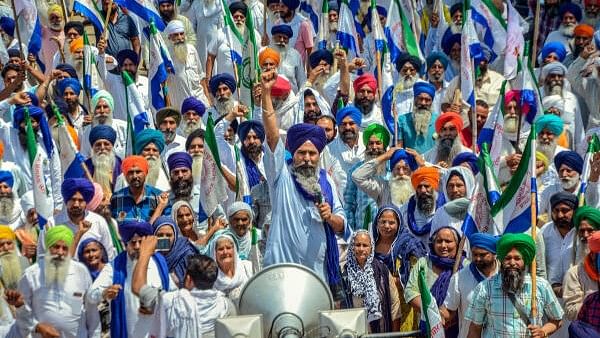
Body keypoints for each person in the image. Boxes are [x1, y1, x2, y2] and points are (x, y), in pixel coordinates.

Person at [260, 69, 349, 288]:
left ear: (319, 156)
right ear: (293, 153)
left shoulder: (325, 183)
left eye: (312, 154)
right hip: (281, 274)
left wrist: (329, 217)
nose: (307, 159)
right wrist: (266, 94)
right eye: (302, 153)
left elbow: (342, 224)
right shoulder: (281, 175)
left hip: (318, 276)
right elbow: (272, 136)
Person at [7, 225, 100, 337]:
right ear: (47, 247)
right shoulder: (31, 274)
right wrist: (37, 327)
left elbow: (92, 313)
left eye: (65, 248)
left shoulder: (81, 272)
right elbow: (22, 313)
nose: (60, 252)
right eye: (56, 247)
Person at [88, 220, 176, 338]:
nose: (137, 247)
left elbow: (173, 294)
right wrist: (104, 293)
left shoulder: (158, 263)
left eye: (140, 242)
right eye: (133, 243)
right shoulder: (115, 267)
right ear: (126, 244)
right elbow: (91, 294)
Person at [131, 238, 236, 338]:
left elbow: (138, 287)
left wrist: (145, 253)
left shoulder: (171, 302)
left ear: (189, 280)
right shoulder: (226, 306)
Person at [466, 233, 564, 337]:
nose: (512, 262)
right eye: (508, 258)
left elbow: (557, 320)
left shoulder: (541, 286)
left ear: (525, 261)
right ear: (501, 260)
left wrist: (543, 331)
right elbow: (475, 328)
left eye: (517, 258)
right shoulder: (485, 288)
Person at [405, 226, 464, 337]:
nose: (443, 245)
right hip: (428, 327)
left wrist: (448, 315)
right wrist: (433, 314)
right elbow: (410, 291)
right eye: (439, 241)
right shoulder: (423, 263)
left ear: (457, 244)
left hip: (458, 328)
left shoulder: (465, 266)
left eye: (448, 241)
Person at [441, 233, 499, 338]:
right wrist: (439, 315)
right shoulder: (460, 278)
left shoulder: (505, 277)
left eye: (482, 255)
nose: (477, 259)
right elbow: (450, 310)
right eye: (475, 254)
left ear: (494, 254)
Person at [342, 230, 401, 333]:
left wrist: (395, 335)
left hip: (380, 331)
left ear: (371, 248)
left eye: (365, 245)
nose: (361, 249)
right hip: (352, 332)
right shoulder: (343, 273)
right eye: (357, 245)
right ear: (352, 247)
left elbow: (395, 305)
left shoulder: (382, 271)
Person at [344, 123, 390, 230]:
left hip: (386, 230)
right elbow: (349, 204)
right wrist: (351, 232)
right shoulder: (355, 170)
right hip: (362, 232)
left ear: (385, 146)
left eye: (378, 143)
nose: (374, 147)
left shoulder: (392, 169)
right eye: (371, 143)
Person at [563, 207, 600, 320]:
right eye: (581, 231)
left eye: (590, 230)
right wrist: (595, 304)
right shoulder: (574, 273)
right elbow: (571, 311)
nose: (585, 235)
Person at [111, 155, 170, 223]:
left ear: (146, 173)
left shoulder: (159, 198)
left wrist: (160, 208)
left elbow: (167, 227)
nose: (135, 176)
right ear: (125, 175)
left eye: (138, 172)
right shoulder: (116, 198)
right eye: (130, 172)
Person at [205, 230, 253, 305]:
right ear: (214, 253)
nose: (225, 252)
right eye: (220, 249)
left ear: (234, 250)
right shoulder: (208, 277)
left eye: (228, 248)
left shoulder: (247, 268)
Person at [152, 216, 199, 287]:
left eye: (168, 235)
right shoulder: (150, 256)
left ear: (175, 236)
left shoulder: (186, 253)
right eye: (160, 235)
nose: (164, 238)